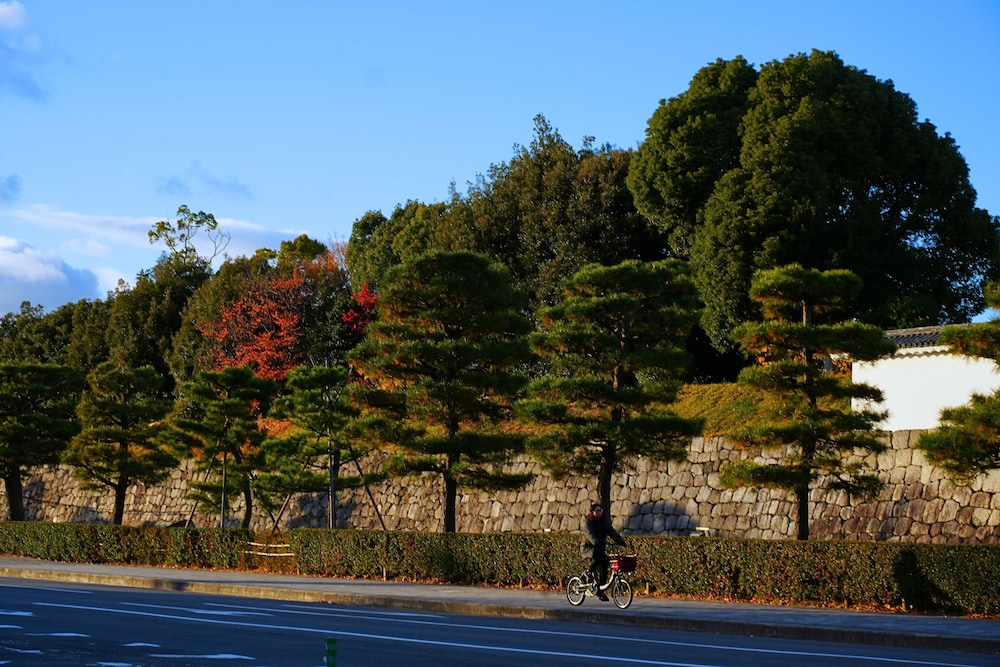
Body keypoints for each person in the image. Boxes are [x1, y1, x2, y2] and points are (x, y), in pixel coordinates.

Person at [580, 502, 626, 601]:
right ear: (592, 512)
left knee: (605, 565)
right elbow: (589, 534)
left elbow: (611, 531)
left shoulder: (604, 521)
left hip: (599, 548)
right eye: (597, 511)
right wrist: (597, 542)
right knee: (598, 555)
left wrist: (620, 541)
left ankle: (600, 590)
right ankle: (589, 572)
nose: (599, 513)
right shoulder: (587, 521)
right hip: (588, 548)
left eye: (600, 511)